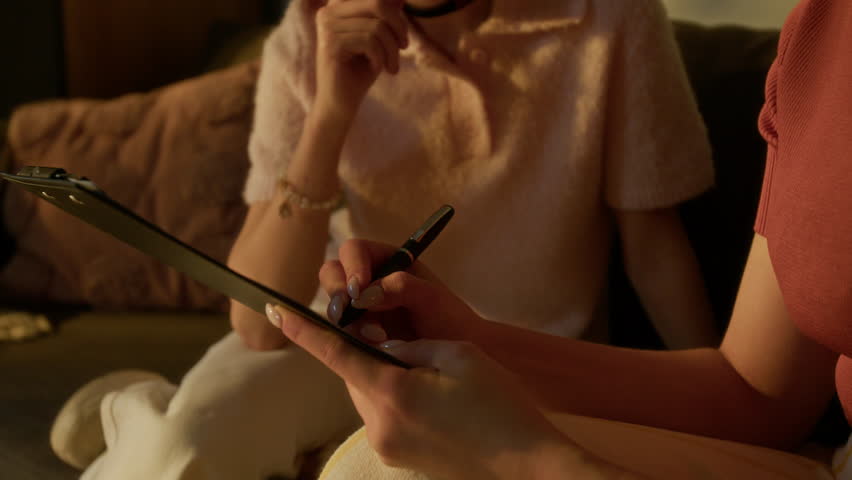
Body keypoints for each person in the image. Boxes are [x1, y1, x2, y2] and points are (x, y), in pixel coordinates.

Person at [52, 0, 719, 477]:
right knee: (177, 456)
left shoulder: (614, 18)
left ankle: (150, 418)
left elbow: (655, 249)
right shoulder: (308, 30)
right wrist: (330, 111)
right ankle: (143, 413)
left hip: (528, 360)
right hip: (346, 339)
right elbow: (256, 324)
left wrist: (724, 401)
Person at [267, 0, 852, 477]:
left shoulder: (609, 20)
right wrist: (471, 337)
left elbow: (655, 248)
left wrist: (523, 458)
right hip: (372, 348)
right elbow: (756, 394)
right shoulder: (817, 40)